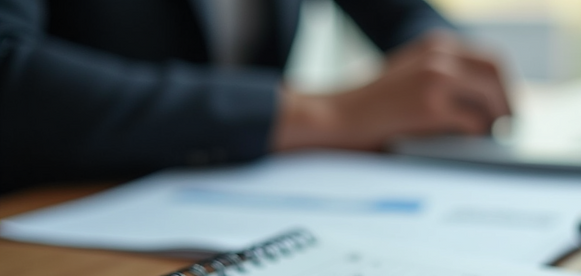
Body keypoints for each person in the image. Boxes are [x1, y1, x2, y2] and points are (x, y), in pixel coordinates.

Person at [0, 0, 511, 189]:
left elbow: (405, 17)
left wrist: (446, 70)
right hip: (58, 215)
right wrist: (326, 112)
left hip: (247, 203)